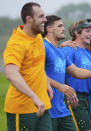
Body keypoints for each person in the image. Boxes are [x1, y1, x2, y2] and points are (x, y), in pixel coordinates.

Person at [43, 15, 91, 131]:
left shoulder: (60, 51)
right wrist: (61, 86)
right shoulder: (47, 47)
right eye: (60, 26)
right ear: (49, 29)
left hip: (63, 109)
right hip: (52, 106)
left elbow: (74, 70)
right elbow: (37, 73)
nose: (63, 29)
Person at [3, 2, 53, 131]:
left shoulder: (38, 37)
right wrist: (34, 97)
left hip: (42, 106)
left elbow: (38, 65)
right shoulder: (16, 43)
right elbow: (11, 74)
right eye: (41, 16)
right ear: (29, 19)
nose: (45, 20)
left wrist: (46, 83)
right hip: (22, 110)